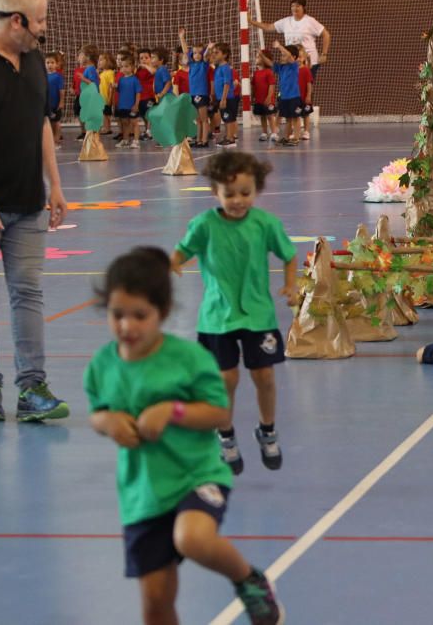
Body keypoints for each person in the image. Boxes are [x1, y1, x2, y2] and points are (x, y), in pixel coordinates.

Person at [85, 247, 284, 625]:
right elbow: (98, 413)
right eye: (117, 315)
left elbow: (218, 412)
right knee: (156, 603)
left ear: (161, 312)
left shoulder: (189, 360)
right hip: (143, 491)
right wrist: (107, 423)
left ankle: (248, 578)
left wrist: (171, 411)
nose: (127, 326)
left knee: (191, 539)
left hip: (197, 475)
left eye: (139, 316)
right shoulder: (102, 366)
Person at [170, 152, 298, 475]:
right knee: (226, 379)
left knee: (264, 376)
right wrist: (170, 268)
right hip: (217, 316)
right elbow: (181, 251)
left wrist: (291, 285)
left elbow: (289, 255)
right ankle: (225, 435)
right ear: (215, 192)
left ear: (256, 190)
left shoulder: (265, 224)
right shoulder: (204, 226)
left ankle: (267, 429)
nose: (238, 201)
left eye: (245, 193)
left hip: (258, 315)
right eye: (230, 194)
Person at [0, 0, 69, 422]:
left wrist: (54, 185)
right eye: (38, 21)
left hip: (29, 204)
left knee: (28, 294)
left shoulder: (34, 60)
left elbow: (40, 122)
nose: (43, 29)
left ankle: (32, 388)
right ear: (16, 21)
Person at [250, 0, 330, 79]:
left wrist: (324, 54)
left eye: (298, 6)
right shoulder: (286, 21)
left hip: (308, 61)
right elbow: (268, 27)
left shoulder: (310, 21)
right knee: (293, 86)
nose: (295, 8)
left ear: (303, 8)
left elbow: (326, 35)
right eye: (293, 6)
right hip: (291, 61)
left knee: (303, 86)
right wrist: (251, 21)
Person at [259, 41, 302, 146]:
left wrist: (279, 46)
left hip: (294, 97)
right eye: (281, 55)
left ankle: (296, 138)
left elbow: (288, 55)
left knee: (295, 118)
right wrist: (261, 55)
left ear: (293, 57)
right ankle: (287, 138)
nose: (282, 57)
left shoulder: (294, 66)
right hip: (284, 98)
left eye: (284, 55)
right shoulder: (281, 67)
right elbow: (270, 63)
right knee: (288, 118)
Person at [177, 28, 212, 147]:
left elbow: (207, 55)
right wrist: (182, 38)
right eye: (195, 53)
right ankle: (198, 140)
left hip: (201, 94)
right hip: (193, 94)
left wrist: (209, 47)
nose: (197, 55)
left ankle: (204, 140)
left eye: (199, 53)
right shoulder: (191, 64)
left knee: (203, 118)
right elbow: (186, 51)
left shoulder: (204, 64)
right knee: (197, 120)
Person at [212, 43, 238, 148]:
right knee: (225, 118)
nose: (214, 55)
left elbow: (227, 84)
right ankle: (228, 136)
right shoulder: (218, 67)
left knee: (229, 118)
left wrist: (223, 99)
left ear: (225, 55)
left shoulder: (226, 68)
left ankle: (231, 139)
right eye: (213, 52)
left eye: (217, 53)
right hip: (220, 98)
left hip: (227, 98)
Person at [114, 55, 141, 149]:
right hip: (122, 106)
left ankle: (136, 141)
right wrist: (114, 87)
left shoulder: (135, 80)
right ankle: (125, 140)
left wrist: (136, 104)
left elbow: (138, 93)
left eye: (126, 66)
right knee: (125, 123)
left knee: (134, 123)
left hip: (132, 106)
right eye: (122, 67)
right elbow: (119, 92)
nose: (124, 69)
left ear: (132, 67)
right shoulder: (121, 80)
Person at [251, 51, 278, 142]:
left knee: (270, 116)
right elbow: (253, 86)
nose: (256, 58)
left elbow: (272, 85)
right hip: (259, 100)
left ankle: (274, 133)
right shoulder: (256, 73)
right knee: (262, 116)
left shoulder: (269, 72)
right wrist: (252, 96)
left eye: (258, 57)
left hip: (268, 100)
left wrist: (269, 97)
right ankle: (264, 132)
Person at [44, 51, 64, 148]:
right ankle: (51, 141)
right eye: (47, 63)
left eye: (52, 63)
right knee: (48, 123)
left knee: (56, 122)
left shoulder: (58, 76)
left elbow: (61, 91)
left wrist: (61, 102)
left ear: (56, 64)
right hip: (47, 104)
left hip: (56, 104)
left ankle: (56, 141)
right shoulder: (43, 75)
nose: (50, 65)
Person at [135, 47, 155, 140]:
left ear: (150, 58)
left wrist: (146, 65)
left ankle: (149, 131)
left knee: (149, 113)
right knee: (143, 114)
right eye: (141, 58)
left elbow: (153, 71)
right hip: (141, 96)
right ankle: (147, 129)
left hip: (150, 95)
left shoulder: (152, 67)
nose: (144, 60)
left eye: (146, 58)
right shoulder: (139, 70)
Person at [296, 46, 314, 140]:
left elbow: (309, 84)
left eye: (300, 57)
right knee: (297, 115)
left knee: (306, 114)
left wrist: (308, 95)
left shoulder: (306, 70)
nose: (298, 59)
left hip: (305, 97)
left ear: (304, 58)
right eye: (297, 57)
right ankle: (297, 132)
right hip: (296, 98)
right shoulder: (293, 70)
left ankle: (306, 131)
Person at [97, 51, 116, 134]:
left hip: (106, 98)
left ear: (108, 61)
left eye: (101, 60)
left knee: (106, 114)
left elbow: (111, 87)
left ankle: (107, 128)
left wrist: (110, 98)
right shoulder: (102, 73)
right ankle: (106, 127)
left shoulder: (110, 73)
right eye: (99, 60)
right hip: (101, 98)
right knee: (104, 113)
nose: (99, 62)